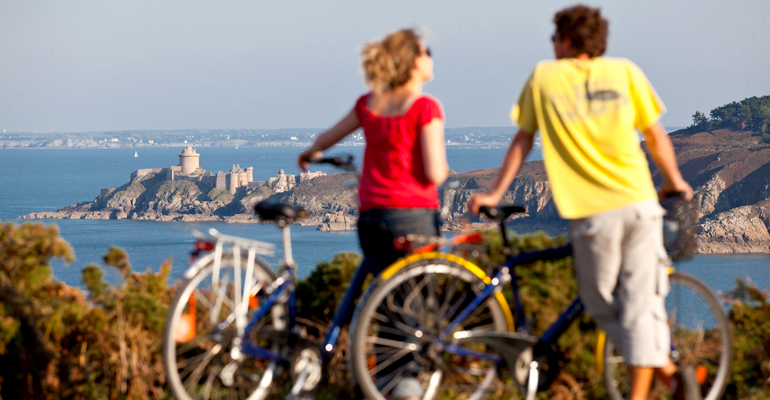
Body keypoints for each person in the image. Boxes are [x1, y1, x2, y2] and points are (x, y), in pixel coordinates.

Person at [468, 5, 701, 400]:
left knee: (601, 303)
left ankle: (653, 384)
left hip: (594, 212)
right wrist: (675, 180)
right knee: (640, 305)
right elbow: (656, 135)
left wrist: (494, 192)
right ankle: (668, 375)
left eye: (554, 38)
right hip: (641, 202)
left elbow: (523, 140)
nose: (552, 45)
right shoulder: (625, 71)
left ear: (568, 39)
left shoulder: (545, 76)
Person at [297, 28, 447, 400]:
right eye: (427, 51)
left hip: (371, 218)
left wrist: (309, 154)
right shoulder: (426, 107)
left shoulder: (370, 104)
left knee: (385, 298)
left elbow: (328, 138)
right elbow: (435, 173)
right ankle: (406, 382)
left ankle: (382, 380)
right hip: (413, 216)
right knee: (411, 301)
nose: (431, 57)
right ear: (414, 61)